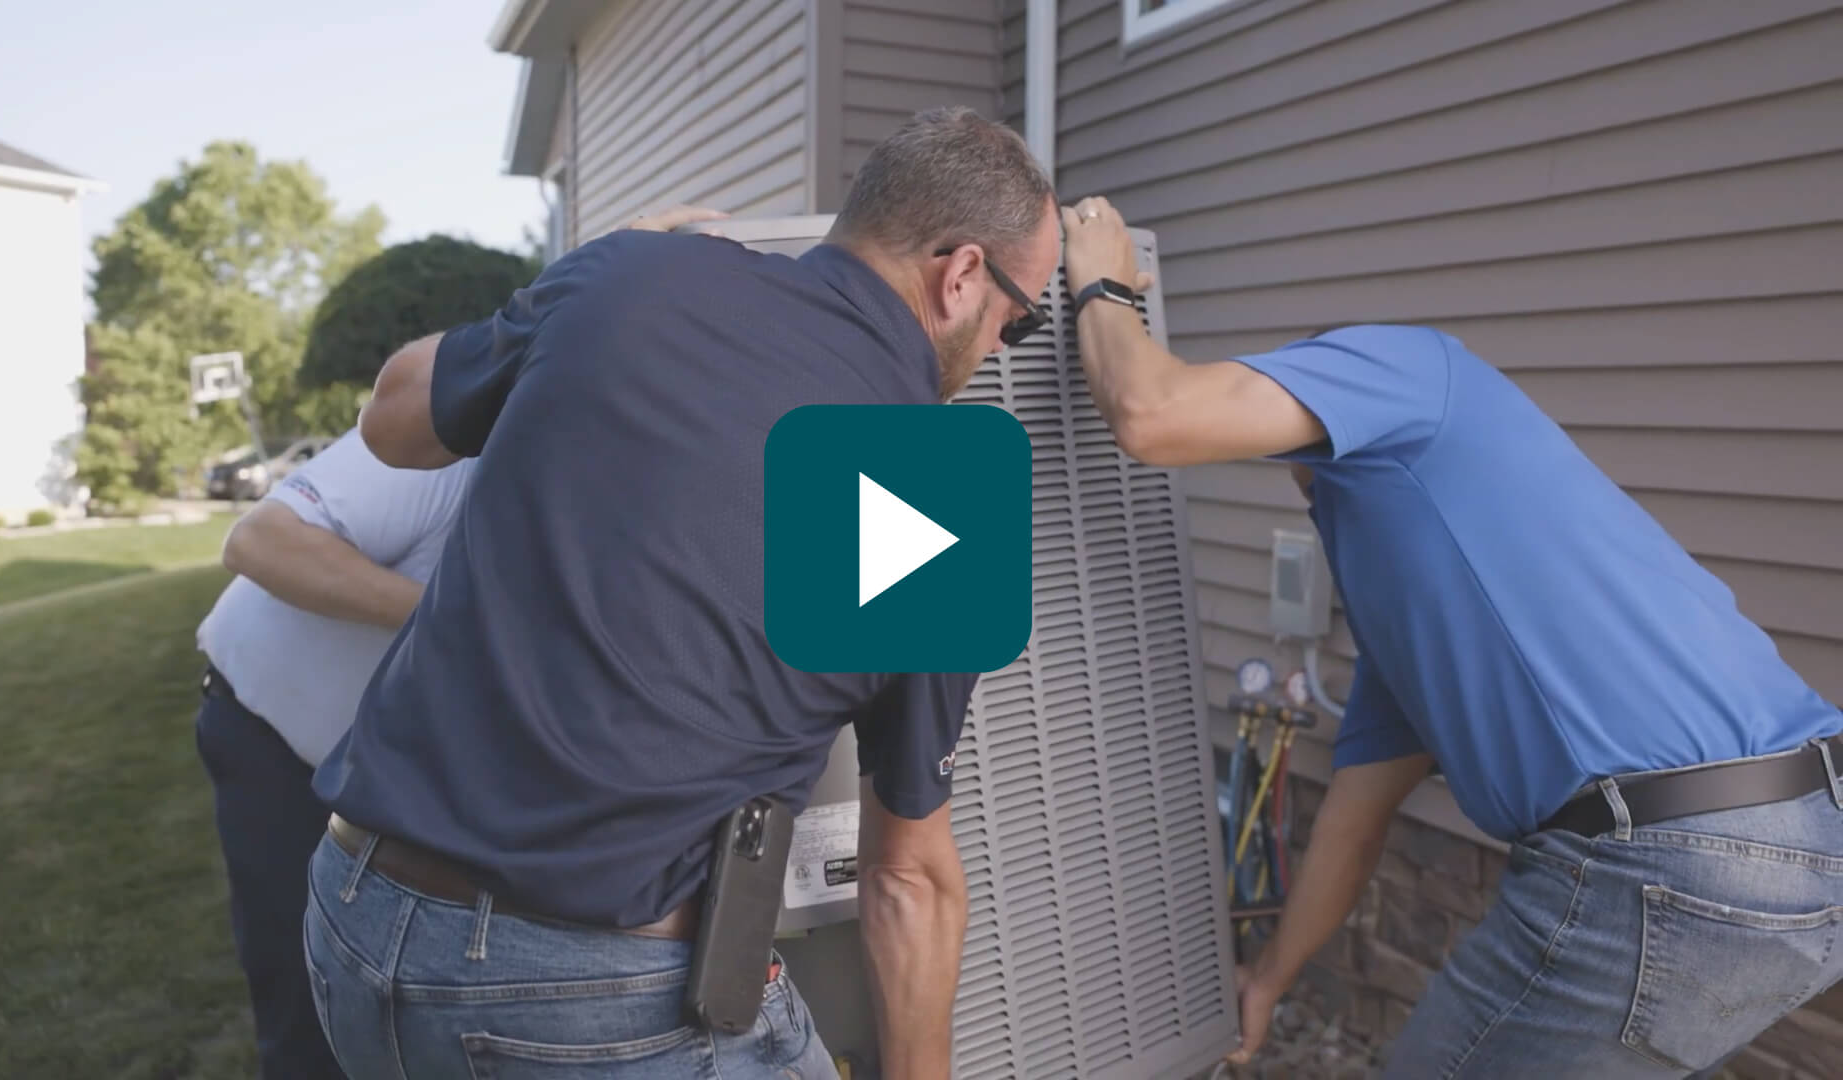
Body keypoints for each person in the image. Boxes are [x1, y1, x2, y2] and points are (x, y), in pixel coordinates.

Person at [300, 105, 1060, 1080]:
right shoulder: (938, 479)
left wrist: (569, 291)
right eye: (1020, 318)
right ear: (959, 275)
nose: (1003, 348)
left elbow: (392, 421)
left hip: (355, 921)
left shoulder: (624, 274)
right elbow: (907, 877)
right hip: (586, 1004)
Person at [1058, 195, 1843, 1079]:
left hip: (1668, 852)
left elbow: (1152, 415)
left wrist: (1100, 284)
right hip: (1801, 847)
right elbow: (1354, 819)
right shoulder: (1415, 608)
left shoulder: (1407, 366)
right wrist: (1270, 979)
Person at [193, 428, 474, 1080]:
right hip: (271, 735)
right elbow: (259, 541)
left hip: (382, 770)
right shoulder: (456, 443)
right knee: (312, 1016)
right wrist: (461, 622)